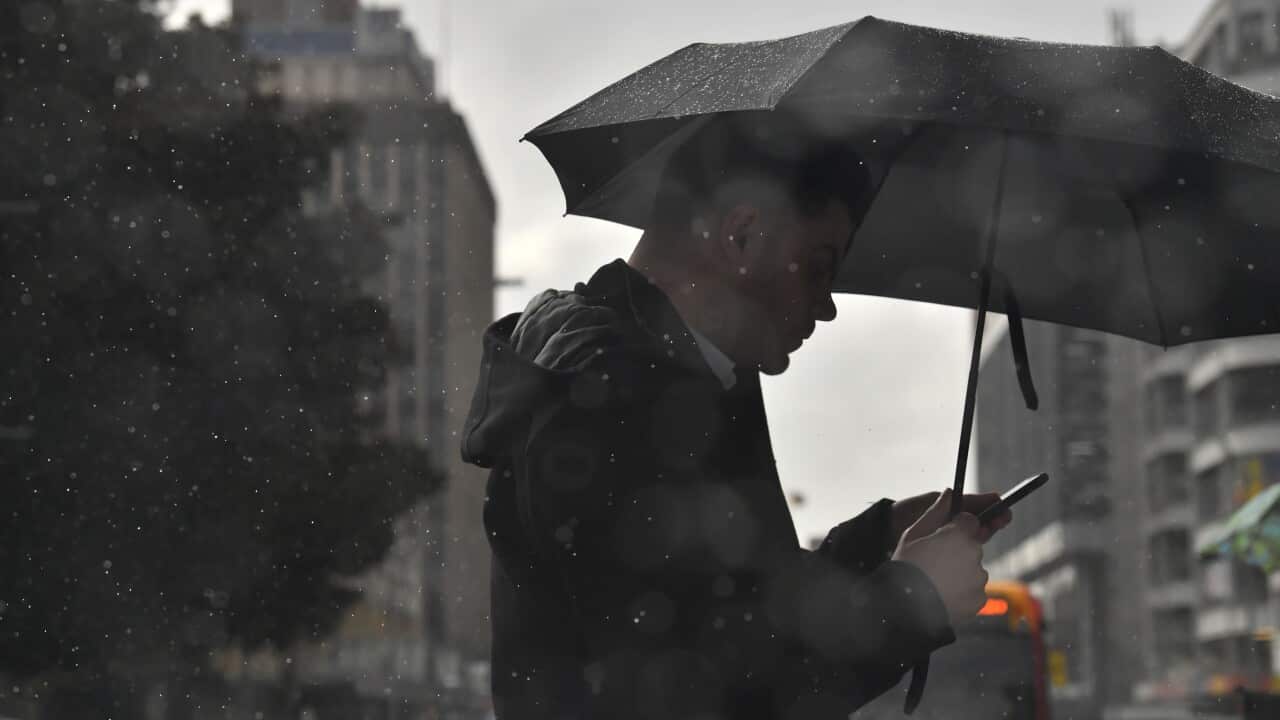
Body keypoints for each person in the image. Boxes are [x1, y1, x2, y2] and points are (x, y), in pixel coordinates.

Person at [460, 112, 1011, 720]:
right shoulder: (614, 393)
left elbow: (730, 615)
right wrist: (914, 600)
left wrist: (875, 543)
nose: (826, 306)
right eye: (821, 264)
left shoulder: (660, 374)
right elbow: (709, 692)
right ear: (742, 235)